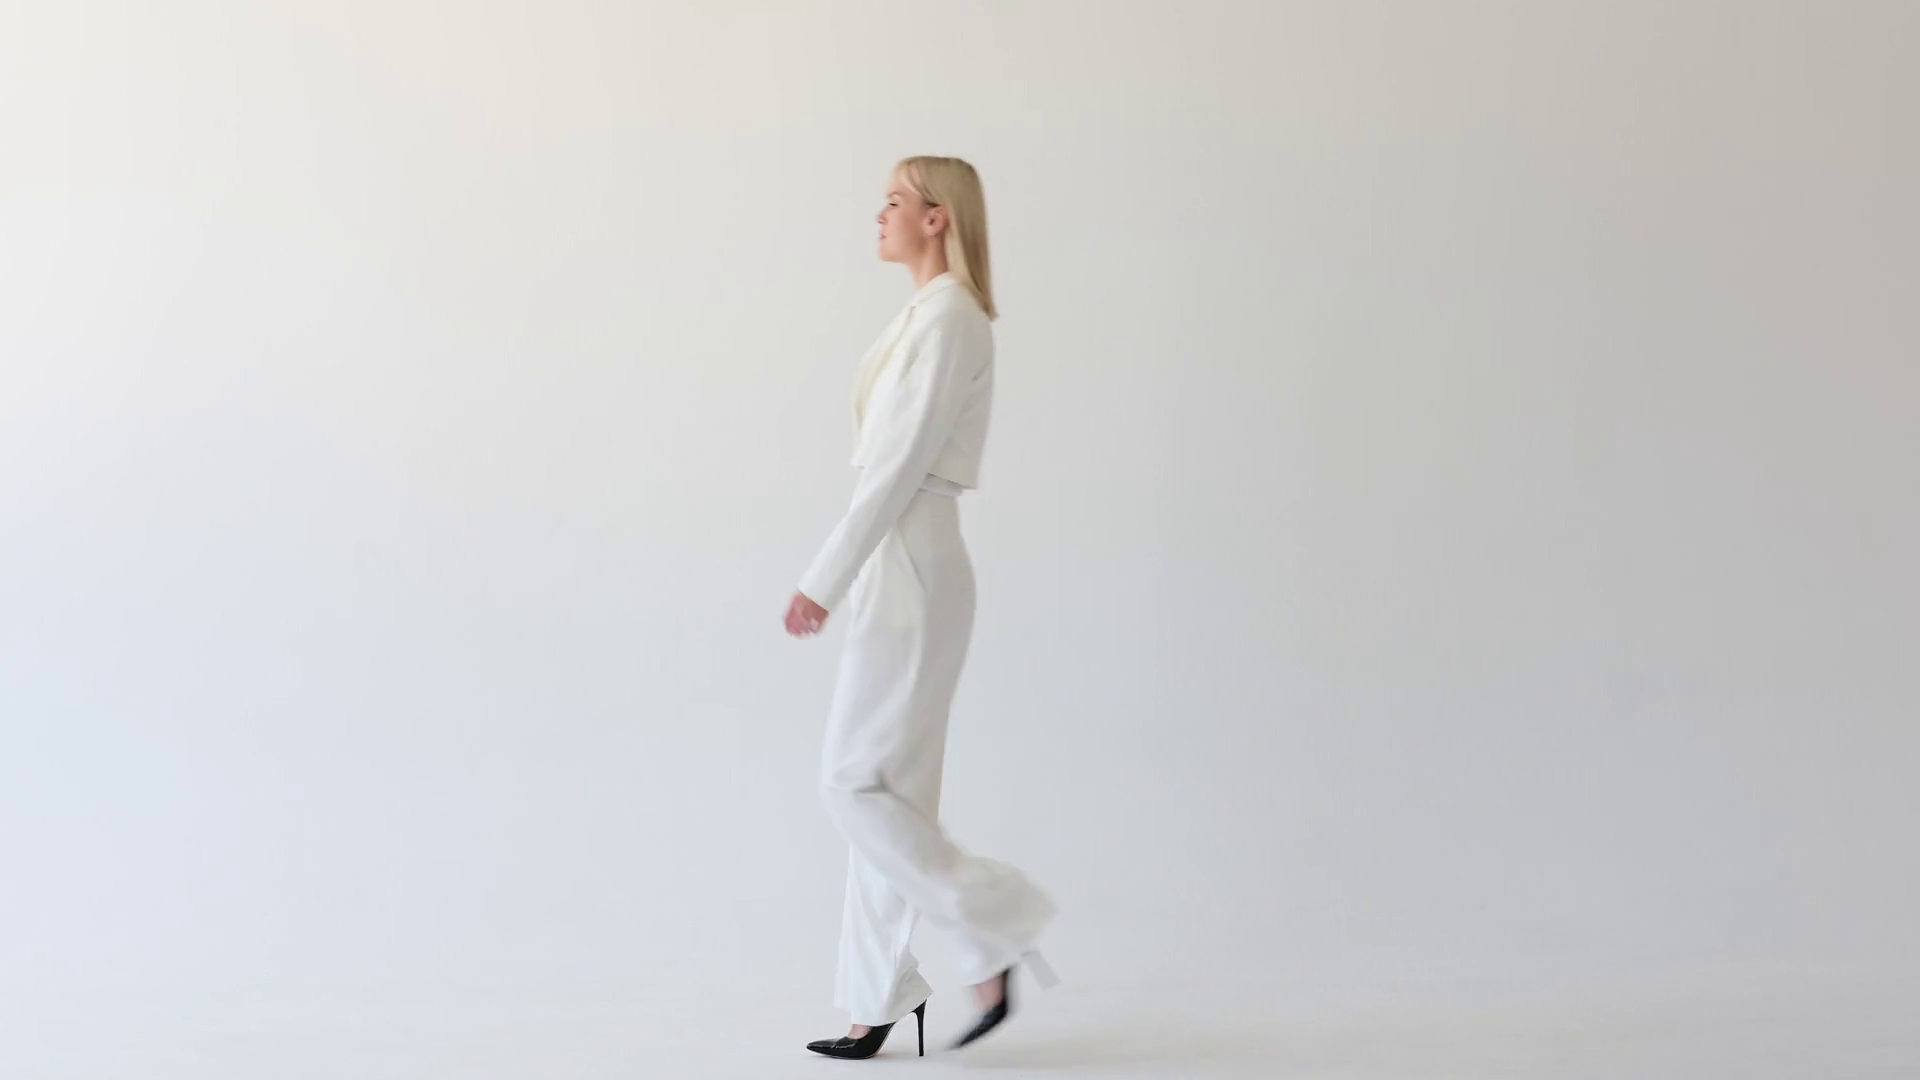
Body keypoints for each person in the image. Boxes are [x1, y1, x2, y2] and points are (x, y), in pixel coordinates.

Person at [784, 156, 1055, 1060]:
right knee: (890, 794)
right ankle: (875, 999)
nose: (880, 214)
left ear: (938, 218)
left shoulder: (950, 320)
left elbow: (896, 465)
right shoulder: (927, 315)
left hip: (911, 551)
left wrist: (823, 577)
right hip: (906, 555)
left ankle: (993, 925)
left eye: (895, 201)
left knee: (852, 783)